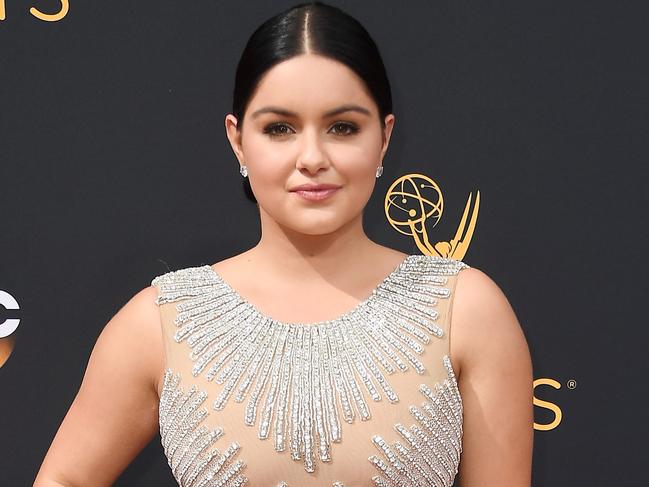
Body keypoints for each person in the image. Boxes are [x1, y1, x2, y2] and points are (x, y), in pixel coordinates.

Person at [34, 2, 533, 486]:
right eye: (280, 129)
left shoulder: (463, 310)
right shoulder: (163, 323)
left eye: (343, 127)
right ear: (237, 141)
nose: (312, 156)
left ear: (383, 138)